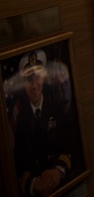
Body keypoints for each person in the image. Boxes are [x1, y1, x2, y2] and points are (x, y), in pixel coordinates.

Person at [10, 50, 81, 197]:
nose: (34, 84)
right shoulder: (21, 120)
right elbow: (19, 165)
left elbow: (71, 146)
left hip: (63, 185)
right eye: (29, 79)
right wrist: (34, 183)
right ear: (23, 84)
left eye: (38, 77)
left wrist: (58, 171)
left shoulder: (57, 109)